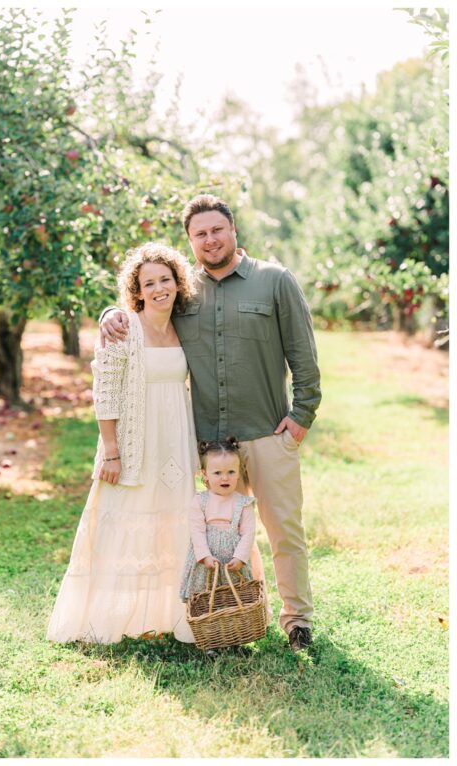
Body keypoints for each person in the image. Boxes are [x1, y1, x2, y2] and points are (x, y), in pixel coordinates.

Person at [100, 194, 321, 652]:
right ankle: (225, 617)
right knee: (214, 534)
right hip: (207, 445)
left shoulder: (274, 281)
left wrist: (301, 416)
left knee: (283, 530)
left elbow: (304, 354)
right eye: (199, 234)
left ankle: (296, 619)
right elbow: (143, 311)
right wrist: (110, 315)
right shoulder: (183, 293)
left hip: (267, 433)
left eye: (217, 229)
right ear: (190, 241)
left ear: (233, 229)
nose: (210, 239)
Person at [47, 243, 198, 645]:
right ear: (137, 290)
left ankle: (172, 615)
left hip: (175, 444)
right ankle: (110, 619)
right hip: (133, 445)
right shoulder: (123, 329)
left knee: (175, 523)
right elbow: (106, 392)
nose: (159, 288)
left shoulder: (185, 326)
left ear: (178, 282)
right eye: (149, 283)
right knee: (125, 522)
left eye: (165, 279)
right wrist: (111, 450)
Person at [178, 438, 256, 602]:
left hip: (233, 562)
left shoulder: (244, 503)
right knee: (206, 597)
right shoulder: (200, 501)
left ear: (239, 473)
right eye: (217, 473)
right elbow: (197, 532)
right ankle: (208, 624)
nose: (225, 478)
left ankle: (234, 624)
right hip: (206, 561)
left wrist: (241, 557)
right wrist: (205, 556)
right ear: (205, 475)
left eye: (231, 472)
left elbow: (248, 533)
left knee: (234, 597)